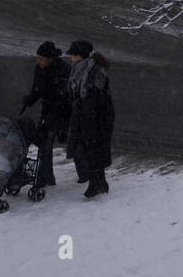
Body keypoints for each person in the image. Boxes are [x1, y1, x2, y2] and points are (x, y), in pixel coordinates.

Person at [65, 40, 115, 199]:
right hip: (85, 114)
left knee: (93, 148)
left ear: (79, 55)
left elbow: (95, 96)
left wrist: (86, 109)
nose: (70, 57)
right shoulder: (78, 68)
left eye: (72, 54)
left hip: (97, 116)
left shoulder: (94, 70)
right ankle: (99, 182)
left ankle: (96, 183)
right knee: (89, 148)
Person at [21, 41, 71, 187]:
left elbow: (66, 97)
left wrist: (63, 123)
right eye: (37, 58)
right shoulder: (39, 69)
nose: (38, 62)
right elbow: (37, 88)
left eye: (41, 59)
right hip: (48, 111)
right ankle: (46, 176)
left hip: (62, 112)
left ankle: (47, 176)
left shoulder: (64, 70)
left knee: (49, 142)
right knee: (44, 143)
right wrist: (29, 100)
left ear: (50, 59)